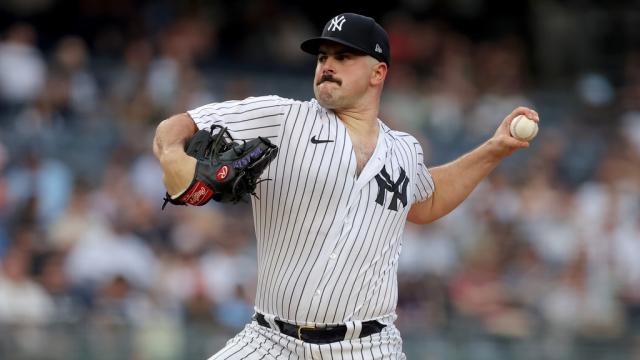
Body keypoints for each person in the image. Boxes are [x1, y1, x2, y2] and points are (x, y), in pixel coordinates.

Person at [153, 12, 539, 359]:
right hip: (271, 341)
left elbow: (428, 200)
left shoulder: (405, 149)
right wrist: (176, 160)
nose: (328, 66)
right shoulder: (283, 118)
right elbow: (174, 128)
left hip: (368, 347)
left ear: (378, 73)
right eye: (323, 57)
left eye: (344, 57)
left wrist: (494, 149)